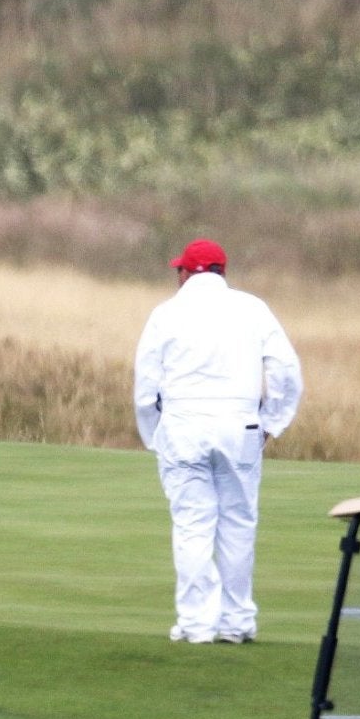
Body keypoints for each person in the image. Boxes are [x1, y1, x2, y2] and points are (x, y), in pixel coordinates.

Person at [132, 238, 302, 644]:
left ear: (187, 273)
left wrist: (152, 430)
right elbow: (285, 370)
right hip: (239, 425)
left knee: (192, 524)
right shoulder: (253, 309)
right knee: (238, 524)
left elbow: (145, 384)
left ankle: (196, 624)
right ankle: (236, 622)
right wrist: (270, 421)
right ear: (221, 272)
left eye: (180, 270)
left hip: (183, 424)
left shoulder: (166, 314)